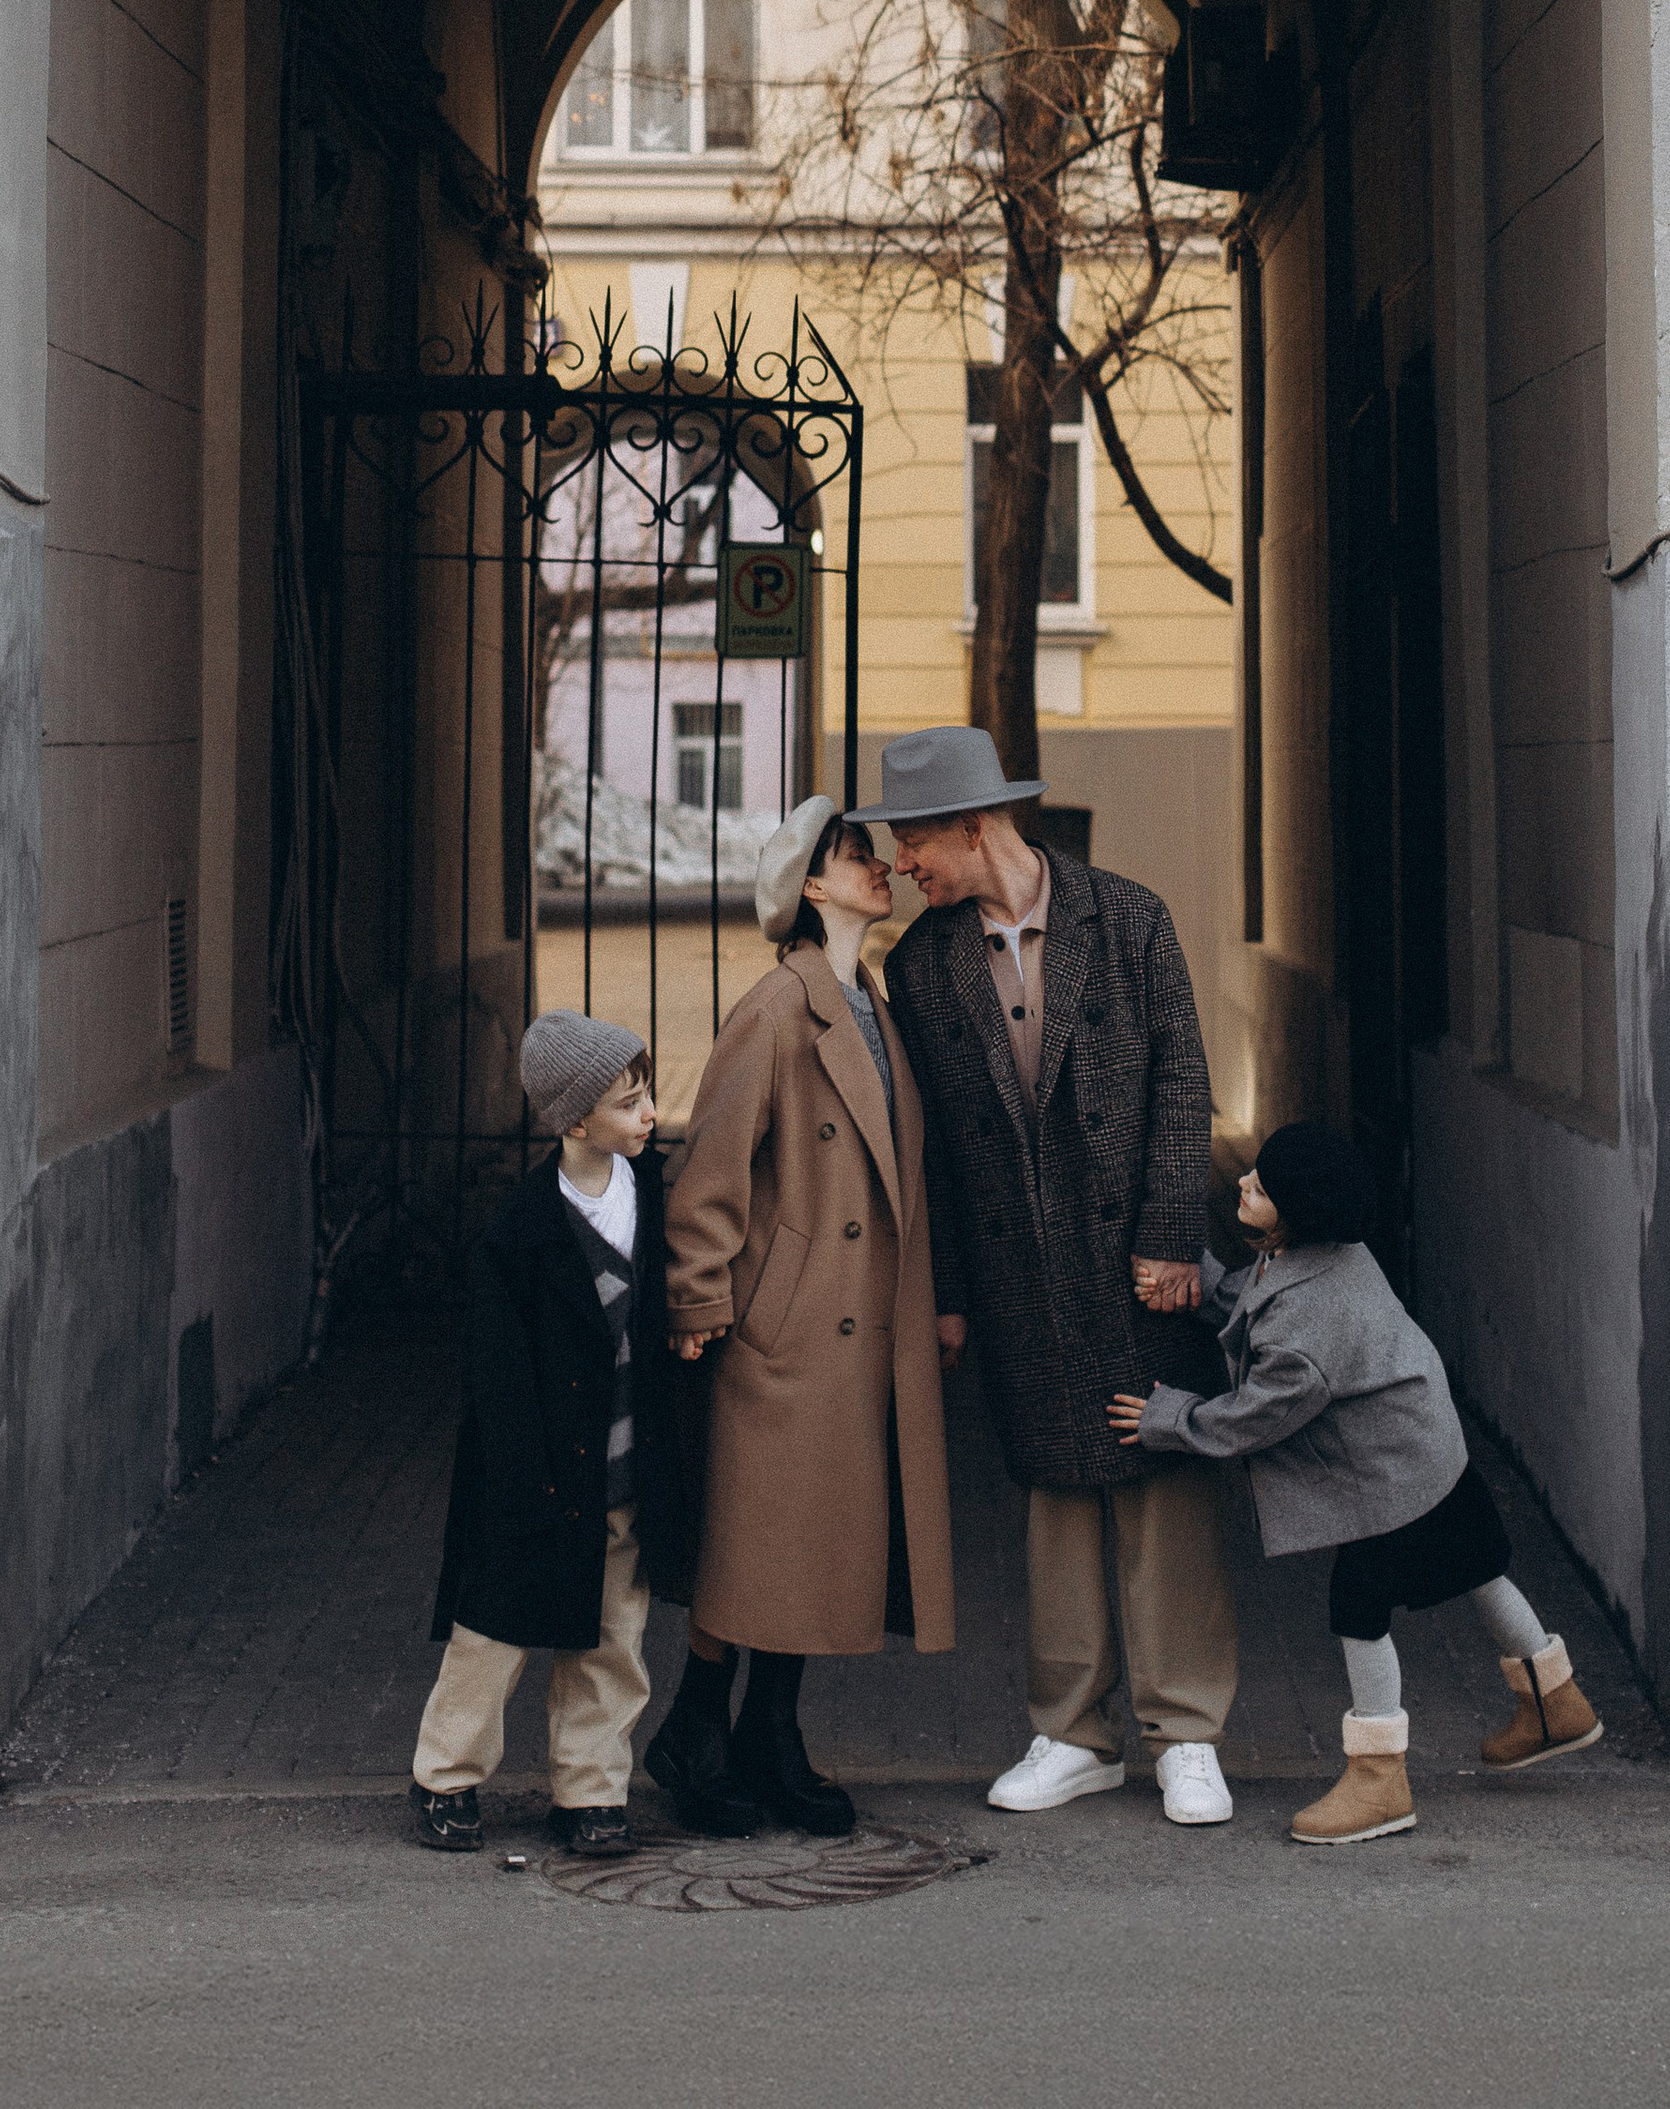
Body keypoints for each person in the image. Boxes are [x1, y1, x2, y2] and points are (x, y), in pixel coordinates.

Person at [871, 722, 1238, 1828]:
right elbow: (925, 1142)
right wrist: (942, 1291)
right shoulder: (921, 964)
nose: (901, 868)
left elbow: (1184, 1082)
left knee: (1161, 1474)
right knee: (1053, 1492)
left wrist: (1174, 1234)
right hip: (1013, 1263)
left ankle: (1187, 1733)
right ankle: (1073, 1732)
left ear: (975, 828)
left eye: (913, 844)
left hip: (1136, 1260)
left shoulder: (1126, 919)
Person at [1110, 1119, 1602, 1845]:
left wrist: (1171, 1418)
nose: (1244, 1179)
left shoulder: (1308, 1324)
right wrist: (1200, 1283)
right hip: (1426, 1444)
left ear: (1296, 1211)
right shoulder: (1322, 1255)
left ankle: (1380, 1780)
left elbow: (1253, 1418)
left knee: (1358, 1606)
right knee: (1479, 1564)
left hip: (1388, 1477)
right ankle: (1555, 1700)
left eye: (1261, 1184)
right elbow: (1252, 1297)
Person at [653, 794, 956, 1840]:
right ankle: (700, 1730)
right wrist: (698, 1295)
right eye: (855, 855)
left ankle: (764, 1735)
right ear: (809, 889)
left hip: (853, 1326)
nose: (879, 867)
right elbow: (709, 1169)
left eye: (874, 853)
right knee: (755, 1546)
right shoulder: (779, 1006)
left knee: (802, 1548)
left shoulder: (865, 995)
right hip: (780, 1333)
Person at [409, 1012, 693, 1861]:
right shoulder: (517, 1235)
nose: (648, 1116)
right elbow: (495, 1379)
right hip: (531, 1481)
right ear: (575, 1122)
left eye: (647, 1098)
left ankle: (591, 1790)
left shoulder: (653, 1197)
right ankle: (445, 1775)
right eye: (629, 1103)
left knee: (615, 1640)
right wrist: (522, 1480)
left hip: (624, 1468)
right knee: (492, 1634)